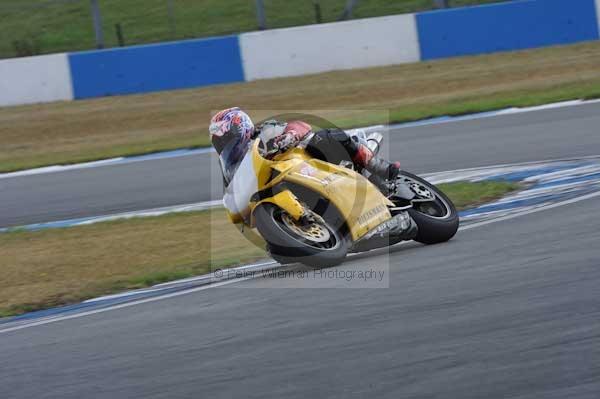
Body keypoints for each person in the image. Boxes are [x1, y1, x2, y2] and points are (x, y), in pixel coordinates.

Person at [209, 107, 401, 186]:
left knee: (321, 138)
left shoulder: (264, 132)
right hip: (290, 182)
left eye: (226, 138)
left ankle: (376, 165)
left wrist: (289, 136)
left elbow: (300, 126)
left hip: (310, 163)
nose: (225, 145)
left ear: (239, 127)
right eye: (220, 143)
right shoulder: (234, 168)